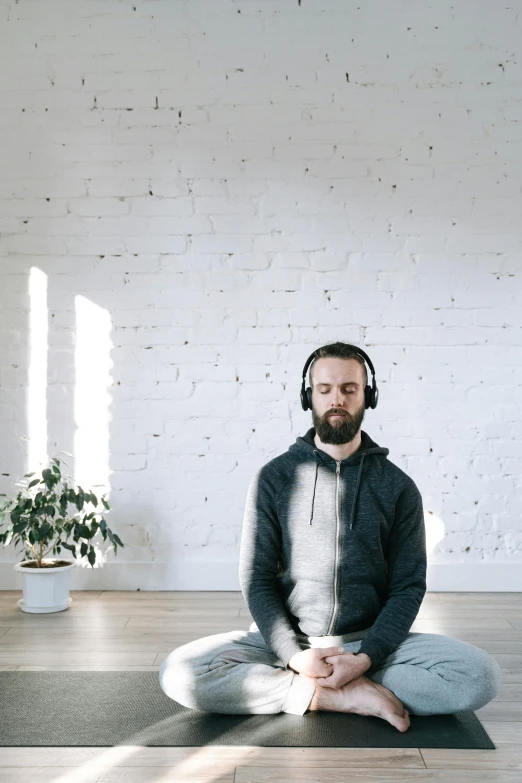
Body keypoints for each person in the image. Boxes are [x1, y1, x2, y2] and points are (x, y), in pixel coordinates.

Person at [159, 342, 502, 731]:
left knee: (480, 677)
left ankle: (328, 685)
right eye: (324, 389)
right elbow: (256, 579)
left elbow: (408, 586)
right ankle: (335, 694)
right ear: (309, 397)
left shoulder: (398, 487)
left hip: (372, 643)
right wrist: (292, 655)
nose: (336, 399)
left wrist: (367, 657)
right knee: (179, 673)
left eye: (349, 389)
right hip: (289, 644)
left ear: (367, 397)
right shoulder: (274, 478)